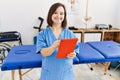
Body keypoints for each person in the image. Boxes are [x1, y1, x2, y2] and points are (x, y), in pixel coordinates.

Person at [36, 2, 79, 80]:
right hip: (49, 75)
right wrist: (53, 46)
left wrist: (74, 54)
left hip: (66, 74)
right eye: (55, 13)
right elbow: (43, 53)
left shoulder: (70, 34)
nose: (59, 16)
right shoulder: (42, 34)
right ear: (50, 14)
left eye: (61, 13)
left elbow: (75, 50)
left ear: (64, 16)